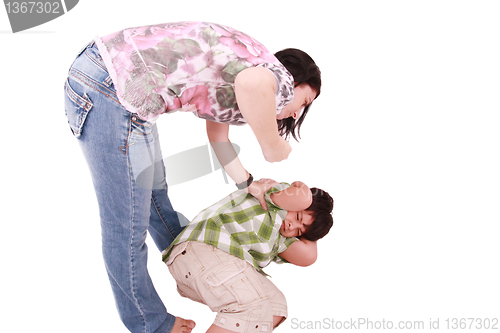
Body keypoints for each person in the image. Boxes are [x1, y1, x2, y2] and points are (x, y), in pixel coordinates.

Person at [64, 21, 321, 333]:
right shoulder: (275, 78)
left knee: (154, 196)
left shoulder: (249, 67)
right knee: (125, 228)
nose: (296, 114)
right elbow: (253, 85)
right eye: (303, 102)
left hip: (114, 80)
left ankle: (191, 252)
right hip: (113, 89)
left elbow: (218, 137)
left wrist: (248, 183)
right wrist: (272, 146)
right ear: (291, 80)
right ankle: (150, 324)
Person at [163, 180, 334, 333]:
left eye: (298, 231)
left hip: (208, 272)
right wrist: (299, 185)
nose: (291, 226)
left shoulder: (279, 240)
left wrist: (314, 230)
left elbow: (309, 257)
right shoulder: (273, 198)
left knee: (275, 307)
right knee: (252, 306)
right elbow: (304, 199)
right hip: (203, 247)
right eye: (297, 217)